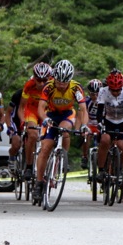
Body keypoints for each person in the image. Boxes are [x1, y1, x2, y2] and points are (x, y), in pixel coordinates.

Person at [32, 60, 88, 201]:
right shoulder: (48, 87)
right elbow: (41, 107)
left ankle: (63, 157)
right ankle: (39, 183)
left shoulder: (76, 88)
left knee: (64, 129)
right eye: (59, 82)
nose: (62, 85)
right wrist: (44, 118)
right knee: (45, 148)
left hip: (67, 114)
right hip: (51, 114)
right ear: (54, 78)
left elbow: (83, 109)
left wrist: (84, 126)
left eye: (65, 82)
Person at [95, 70, 123, 184]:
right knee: (105, 140)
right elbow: (99, 111)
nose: (115, 92)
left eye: (118, 90)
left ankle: (121, 170)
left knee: (122, 145)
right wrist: (100, 123)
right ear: (109, 87)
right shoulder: (103, 92)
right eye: (113, 90)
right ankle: (101, 170)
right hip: (108, 120)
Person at [18, 62, 51, 181]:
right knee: (32, 135)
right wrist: (23, 121)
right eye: (38, 80)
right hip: (31, 111)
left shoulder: (53, 86)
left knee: (48, 139)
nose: (41, 84)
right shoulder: (29, 85)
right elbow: (21, 107)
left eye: (44, 80)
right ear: (34, 78)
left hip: (45, 112)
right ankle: (28, 166)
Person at [81, 79, 102, 169]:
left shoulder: (104, 101)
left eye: (98, 94)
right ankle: (84, 156)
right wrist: (81, 127)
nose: (95, 96)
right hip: (89, 123)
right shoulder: (86, 101)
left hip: (100, 124)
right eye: (92, 94)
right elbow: (81, 114)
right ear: (89, 93)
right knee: (86, 136)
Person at [4, 88, 23, 173]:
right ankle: (12, 157)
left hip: (30, 121)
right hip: (15, 121)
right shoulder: (18, 94)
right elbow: (8, 112)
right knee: (16, 143)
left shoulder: (43, 94)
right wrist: (9, 127)